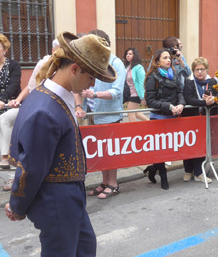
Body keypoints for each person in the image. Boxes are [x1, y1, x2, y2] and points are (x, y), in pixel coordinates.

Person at [4, 31, 117, 256]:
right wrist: (17, 205)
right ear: (74, 69)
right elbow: (31, 168)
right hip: (56, 199)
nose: (92, 83)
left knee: (85, 248)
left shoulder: (57, 95)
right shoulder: (45, 109)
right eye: (91, 76)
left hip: (69, 195)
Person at [2, 39, 59, 191]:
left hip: (47, 111)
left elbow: (15, 84)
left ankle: (28, 177)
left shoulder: (12, 65)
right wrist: (18, 100)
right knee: (6, 121)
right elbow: (31, 86)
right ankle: (6, 160)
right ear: (54, 50)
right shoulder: (44, 63)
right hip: (29, 106)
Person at [80, 29, 126, 199]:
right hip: (94, 114)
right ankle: (104, 182)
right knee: (101, 152)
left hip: (110, 116)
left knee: (110, 151)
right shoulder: (92, 61)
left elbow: (117, 92)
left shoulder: (116, 64)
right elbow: (85, 87)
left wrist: (95, 95)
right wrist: (82, 106)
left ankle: (113, 184)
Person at [144, 48, 186, 190]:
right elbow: (150, 101)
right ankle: (163, 175)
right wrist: (168, 106)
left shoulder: (173, 74)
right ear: (157, 61)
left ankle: (152, 168)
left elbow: (179, 91)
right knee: (160, 150)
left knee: (169, 149)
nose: (169, 60)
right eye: (165, 58)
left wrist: (181, 104)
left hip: (173, 117)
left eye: (169, 58)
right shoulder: (152, 77)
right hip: (158, 118)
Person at [181, 57, 218, 184]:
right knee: (189, 144)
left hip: (206, 119)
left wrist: (213, 100)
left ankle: (199, 173)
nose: (200, 72)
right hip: (191, 119)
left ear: (206, 70)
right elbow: (188, 99)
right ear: (193, 71)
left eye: (202, 69)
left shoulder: (212, 81)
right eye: (197, 70)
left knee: (201, 145)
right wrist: (204, 102)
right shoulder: (189, 82)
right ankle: (188, 170)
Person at [0, 33, 21, 169]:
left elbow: (14, 85)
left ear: (5, 50)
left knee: (3, 120)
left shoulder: (13, 66)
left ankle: (5, 157)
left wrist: (2, 100)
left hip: (13, 105)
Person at [123, 47, 149, 122]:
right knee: (136, 113)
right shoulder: (127, 67)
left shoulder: (138, 67)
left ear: (135, 56)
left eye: (130, 54)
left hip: (135, 93)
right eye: (127, 54)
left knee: (130, 113)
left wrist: (142, 97)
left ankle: (133, 130)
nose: (128, 55)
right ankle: (151, 122)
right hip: (129, 93)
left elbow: (141, 82)